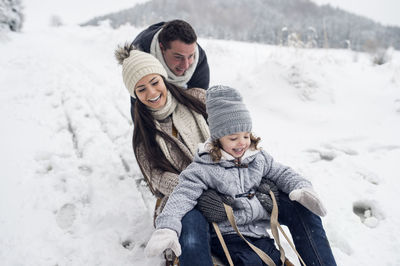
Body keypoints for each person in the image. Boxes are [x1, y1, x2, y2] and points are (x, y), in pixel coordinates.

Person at [115, 45, 336, 265]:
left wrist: (260, 183)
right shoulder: (143, 135)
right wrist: (203, 193)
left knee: (301, 206)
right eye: (141, 89)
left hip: (239, 187)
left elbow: (238, 134)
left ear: (164, 78)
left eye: (154, 82)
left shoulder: (198, 98)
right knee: (190, 228)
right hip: (190, 196)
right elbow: (158, 178)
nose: (152, 92)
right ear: (134, 94)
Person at [129, 19, 210, 122]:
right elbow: (139, 108)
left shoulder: (199, 58)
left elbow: (199, 106)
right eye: (178, 57)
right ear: (162, 48)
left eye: (190, 56)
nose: (185, 65)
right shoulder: (140, 53)